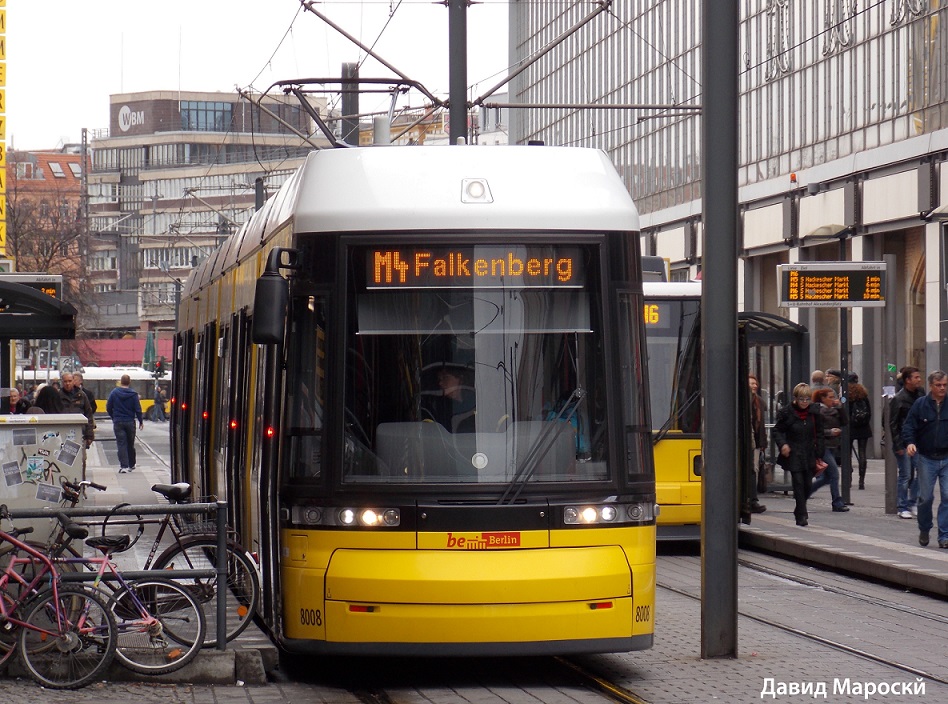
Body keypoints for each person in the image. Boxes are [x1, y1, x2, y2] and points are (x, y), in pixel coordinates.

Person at [902, 370, 948, 548]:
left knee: (947, 496)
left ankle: (944, 535)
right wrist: (910, 443)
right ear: (931, 386)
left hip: (946, 456)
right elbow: (909, 426)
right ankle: (924, 527)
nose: (942, 388)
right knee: (925, 498)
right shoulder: (921, 404)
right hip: (926, 457)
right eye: (938, 385)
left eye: (945, 384)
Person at [772, 383, 826, 527]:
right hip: (794, 452)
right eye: (801, 399)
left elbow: (819, 433)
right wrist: (783, 444)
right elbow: (777, 430)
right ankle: (802, 514)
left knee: (808, 484)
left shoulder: (814, 413)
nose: (804, 402)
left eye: (807, 399)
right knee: (798, 483)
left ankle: (799, 508)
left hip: (809, 453)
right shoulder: (788, 413)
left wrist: (820, 450)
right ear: (795, 398)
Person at [889, 366, 923, 520]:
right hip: (903, 442)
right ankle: (902, 506)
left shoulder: (921, 394)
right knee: (905, 474)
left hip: (919, 441)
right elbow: (893, 424)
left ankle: (912, 502)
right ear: (907, 380)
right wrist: (898, 445)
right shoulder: (898, 399)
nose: (919, 380)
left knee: (920, 473)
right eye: (916, 377)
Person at [810, 386, 849, 512]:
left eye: (834, 397)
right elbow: (816, 430)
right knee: (834, 474)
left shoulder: (835, 409)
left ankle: (806, 490)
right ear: (823, 398)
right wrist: (830, 432)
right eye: (830, 397)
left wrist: (840, 407)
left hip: (833, 445)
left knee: (826, 477)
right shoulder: (818, 411)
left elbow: (844, 421)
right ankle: (837, 502)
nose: (833, 400)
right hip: (823, 446)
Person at [107, 374, 144, 474]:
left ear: (121, 382)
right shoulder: (133, 394)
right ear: (129, 382)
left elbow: (108, 406)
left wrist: (113, 417)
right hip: (130, 422)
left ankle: (123, 466)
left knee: (121, 444)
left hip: (118, 421)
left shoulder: (114, 393)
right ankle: (131, 464)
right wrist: (140, 421)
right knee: (130, 444)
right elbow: (138, 409)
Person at [423, 365, 475, 433]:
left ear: (460, 378)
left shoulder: (476, 404)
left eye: (445, 377)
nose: (440, 383)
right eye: (439, 380)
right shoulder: (439, 409)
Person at [847, 376, 872, 490]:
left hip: (850, 427)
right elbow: (869, 411)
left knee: (847, 455)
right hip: (863, 427)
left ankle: (849, 479)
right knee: (862, 453)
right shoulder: (863, 394)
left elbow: (845, 411)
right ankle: (861, 481)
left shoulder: (847, 394)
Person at [59, 372, 95, 449]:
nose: (67, 383)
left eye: (69, 381)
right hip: (62, 433)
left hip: (80, 433)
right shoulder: (58, 396)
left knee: (80, 459)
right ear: (62, 382)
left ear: (73, 381)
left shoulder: (82, 395)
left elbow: (88, 415)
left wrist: (89, 435)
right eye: (65, 381)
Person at [747, 374, 767, 513]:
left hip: (755, 441)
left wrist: (763, 444)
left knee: (754, 470)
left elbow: (761, 425)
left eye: (755, 383)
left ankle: (753, 500)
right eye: (751, 383)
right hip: (745, 441)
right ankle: (749, 499)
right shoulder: (744, 400)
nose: (754, 385)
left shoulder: (759, 401)